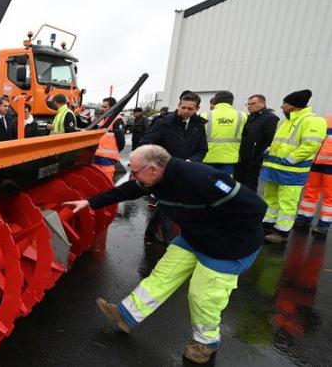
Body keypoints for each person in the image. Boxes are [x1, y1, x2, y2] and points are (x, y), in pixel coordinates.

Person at [63, 145, 265, 364]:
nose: (133, 175)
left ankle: (205, 343)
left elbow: (256, 208)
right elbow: (127, 190)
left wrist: (220, 234)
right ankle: (127, 314)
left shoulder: (203, 179)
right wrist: (89, 202)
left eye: (136, 170)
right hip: (194, 237)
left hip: (228, 248)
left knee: (203, 296)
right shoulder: (156, 179)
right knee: (164, 273)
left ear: (153, 168)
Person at [140, 92, 208, 243]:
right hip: (165, 170)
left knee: (166, 203)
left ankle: (150, 233)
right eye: (183, 107)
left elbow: (202, 149)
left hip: (185, 171)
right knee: (170, 203)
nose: (185, 111)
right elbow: (146, 143)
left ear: (197, 108)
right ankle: (169, 241)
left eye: (190, 109)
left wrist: (191, 161)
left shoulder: (199, 125)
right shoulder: (164, 123)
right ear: (178, 105)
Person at [260, 89, 327, 244]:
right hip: (274, 168)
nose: (282, 106)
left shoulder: (313, 121)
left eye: (285, 103)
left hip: (291, 171)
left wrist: (290, 159)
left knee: (287, 202)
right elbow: (278, 142)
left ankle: (281, 232)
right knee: (270, 198)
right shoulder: (284, 121)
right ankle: (268, 225)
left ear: (295, 106)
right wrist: (269, 151)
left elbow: (310, 145)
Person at [294, 114, 332, 238]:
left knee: (330, 196)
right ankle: (304, 218)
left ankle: (324, 224)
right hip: (316, 161)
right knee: (310, 191)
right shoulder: (326, 118)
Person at [235, 94, 279, 191]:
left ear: (263, 103)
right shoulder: (249, 117)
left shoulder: (270, 118)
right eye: (248, 104)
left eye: (253, 103)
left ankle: (249, 205)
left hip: (255, 160)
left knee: (250, 185)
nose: (250, 106)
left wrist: (258, 158)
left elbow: (270, 141)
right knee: (237, 184)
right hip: (242, 158)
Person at [200, 91, 247, 174]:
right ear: (231, 101)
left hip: (207, 156)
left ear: (215, 101)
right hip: (229, 158)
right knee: (225, 185)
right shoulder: (242, 115)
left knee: (206, 183)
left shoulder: (204, 115)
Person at [92, 97, 126, 178]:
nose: (102, 109)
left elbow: (121, 140)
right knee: (95, 178)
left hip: (107, 157)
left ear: (112, 107)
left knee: (106, 179)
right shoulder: (103, 118)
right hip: (97, 155)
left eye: (105, 107)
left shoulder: (117, 120)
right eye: (102, 106)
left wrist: (115, 151)